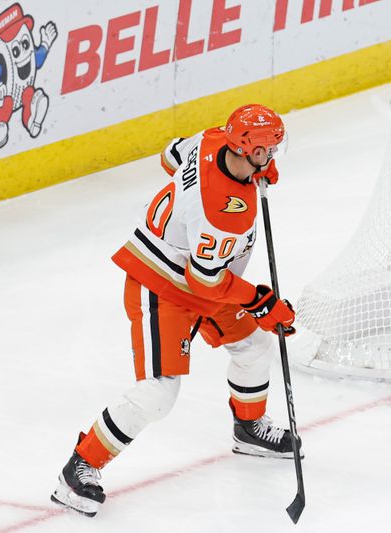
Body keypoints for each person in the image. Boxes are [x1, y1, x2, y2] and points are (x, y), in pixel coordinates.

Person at [51, 104, 299, 517]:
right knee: (158, 393)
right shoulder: (223, 212)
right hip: (163, 284)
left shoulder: (212, 139)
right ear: (247, 149)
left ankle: (249, 428)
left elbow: (170, 155)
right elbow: (205, 281)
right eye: (266, 150)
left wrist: (252, 171)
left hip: (200, 275)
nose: (272, 156)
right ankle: (79, 468)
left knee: (254, 346)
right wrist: (260, 301)